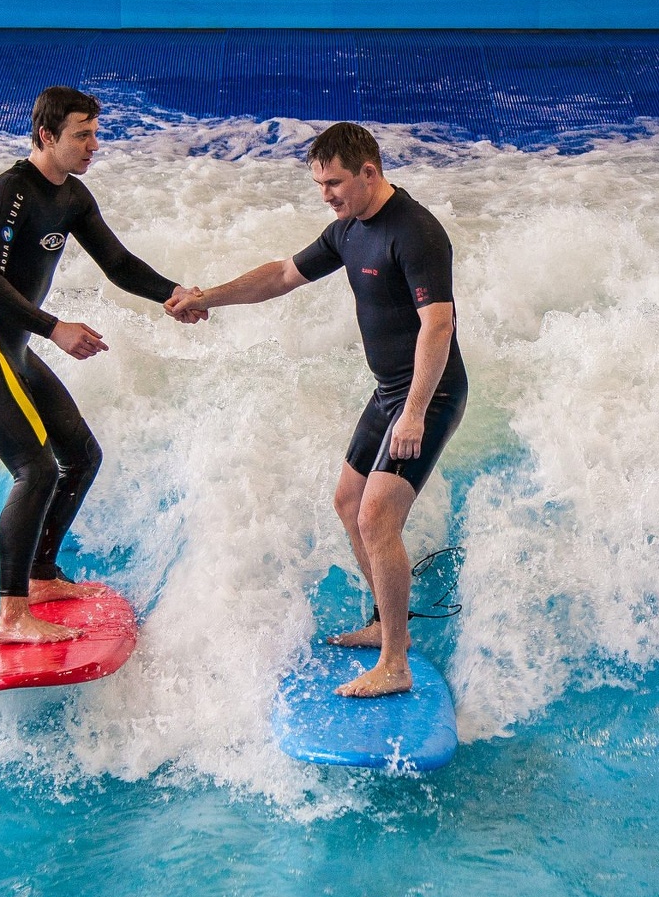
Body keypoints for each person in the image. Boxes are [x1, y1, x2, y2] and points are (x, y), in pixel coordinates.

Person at [165, 122, 467, 697]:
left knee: (377, 515)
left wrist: (414, 414)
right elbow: (281, 275)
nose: (326, 195)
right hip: (389, 392)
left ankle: (396, 665)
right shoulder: (348, 229)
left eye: (334, 184)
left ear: (368, 173)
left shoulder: (417, 232)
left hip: (430, 394)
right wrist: (208, 298)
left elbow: (438, 324)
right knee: (348, 501)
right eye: (320, 185)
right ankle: (384, 623)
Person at [0, 86, 200, 644]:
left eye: (94, 133)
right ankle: (13, 616)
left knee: (81, 457)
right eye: (81, 135)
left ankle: (40, 576)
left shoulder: (73, 198)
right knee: (34, 470)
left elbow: (119, 263)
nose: (93, 145)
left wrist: (171, 292)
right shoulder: (8, 194)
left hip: (14, 347)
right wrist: (54, 327)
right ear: (46, 137)